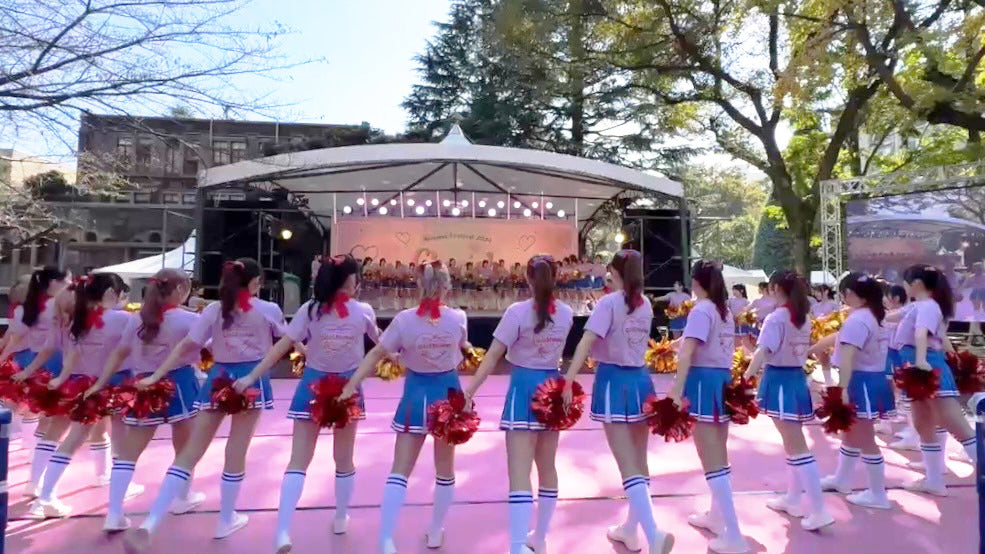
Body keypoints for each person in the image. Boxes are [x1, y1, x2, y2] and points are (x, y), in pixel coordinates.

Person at [124, 258, 285, 552]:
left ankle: (150, 522)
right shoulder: (267, 310)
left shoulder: (213, 310)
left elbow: (186, 346)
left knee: (190, 451)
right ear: (253, 283)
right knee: (236, 449)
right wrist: (251, 375)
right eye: (259, 282)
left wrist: (157, 375)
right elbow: (282, 345)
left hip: (217, 378)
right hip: (250, 380)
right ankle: (226, 519)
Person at [238, 255, 379, 553]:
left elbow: (282, 346)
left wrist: (252, 375)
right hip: (342, 389)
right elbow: (381, 346)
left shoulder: (310, 310)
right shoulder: (359, 310)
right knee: (343, 459)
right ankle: (340, 517)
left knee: (299, 461)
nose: (358, 284)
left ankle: (283, 531)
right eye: (356, 278)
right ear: (349, 281)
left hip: (323, 388)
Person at [340, 261, 468, 554]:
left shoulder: (404, 320)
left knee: (400, 470)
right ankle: (436, 531)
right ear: (447, 287)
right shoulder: (458, 318)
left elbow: (377, 353)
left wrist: (351, 384)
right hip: (449, 397)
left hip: (415, 397)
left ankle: (386, 539)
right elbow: (460, 349)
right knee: (445, 470)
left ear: (418, 286)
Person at [562, 249, 675, 554]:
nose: (607, 275)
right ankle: (631, 529)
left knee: (628, 465)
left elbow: (586, 341)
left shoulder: (609, 303)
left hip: (614, 381)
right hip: (641, 381)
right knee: (639, 461)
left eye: (611, 271)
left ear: (617, 272)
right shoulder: (645, 304)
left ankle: (653, 534)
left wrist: (568, 380)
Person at [465, 255, 574, 554]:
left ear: (527, 279)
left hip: (524, 390)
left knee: (519, 471)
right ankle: (540, 537)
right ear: (556, 277)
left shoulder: (516, 312)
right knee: (547, 466)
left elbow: (492, 356)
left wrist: (469, 391)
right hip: (551, 389)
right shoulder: (566, 313)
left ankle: (517, 546)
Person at [93, 269, 205, 531]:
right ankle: (182, 496)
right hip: (180, 383)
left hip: (143, 384)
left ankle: (114, 512)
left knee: (129, 451)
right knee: (185, 446)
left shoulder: (136, 319)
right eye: (186, 288)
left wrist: (100, 382)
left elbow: (120, 352)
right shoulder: (189, 320)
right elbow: (207, 346)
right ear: (179, 290)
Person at [27, 273, 132, 518]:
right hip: (116, 384)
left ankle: (45, 494)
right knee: (121, 439)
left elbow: (71, 357)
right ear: (109, 294)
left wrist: (62, 379)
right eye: (118, 294)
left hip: (83, 383)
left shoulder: (76, 321)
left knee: (73, 438)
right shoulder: (123, 319)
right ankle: (118, 496)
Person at [666, 260, 747, 554]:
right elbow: (694, 344)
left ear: (696, 282)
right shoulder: (723, 310)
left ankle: (734, 534)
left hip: (703, 382)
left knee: (711, 457)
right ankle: (716, 517)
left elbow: (688, 351)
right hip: (722, 380)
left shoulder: (702, 309)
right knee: (719, 453)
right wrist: (672, 347)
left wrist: (676, 390)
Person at [744, 271, 834, 529]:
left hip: (781, 380)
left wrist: (746, 377)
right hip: (794, 378)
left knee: (797, 447)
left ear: (774, 288)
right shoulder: (801, 317)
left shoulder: (777, 318)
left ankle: (819, 510)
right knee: (794, 444)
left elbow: (763, 351)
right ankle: (794, 498)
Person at [808, 272, 896, 508]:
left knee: (865, 438)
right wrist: (816, 347)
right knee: (851, 434)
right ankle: (841, 478)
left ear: (860, 296)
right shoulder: (872, 316)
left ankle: (878, 493)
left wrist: (842, 389)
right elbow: (841, 341)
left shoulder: (859, 320)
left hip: (861, 381)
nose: (844, 295)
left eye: (847, 292)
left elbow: (847, 357)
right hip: (870, 378)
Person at [892, 265, 977, 496]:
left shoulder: (929, 306)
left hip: (927, 368)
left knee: (956, 426)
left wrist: (920, 361)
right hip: (915, 368)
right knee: (923, 424)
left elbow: (922, 334)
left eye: (907, 281)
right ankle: (933, 480)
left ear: (917, 283)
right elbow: (891, 317)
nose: (905, 286)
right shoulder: (916, 306)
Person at [1, 267, 72, 496]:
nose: (71, 283)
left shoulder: (25, 309)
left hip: (35, 364)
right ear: (54, 283)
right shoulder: (59, 307)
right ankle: (38, 478)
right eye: (68, 279)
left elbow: (14, 337)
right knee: (53, 423)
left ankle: (36, 471)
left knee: (37, 415)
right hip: (59, 364)